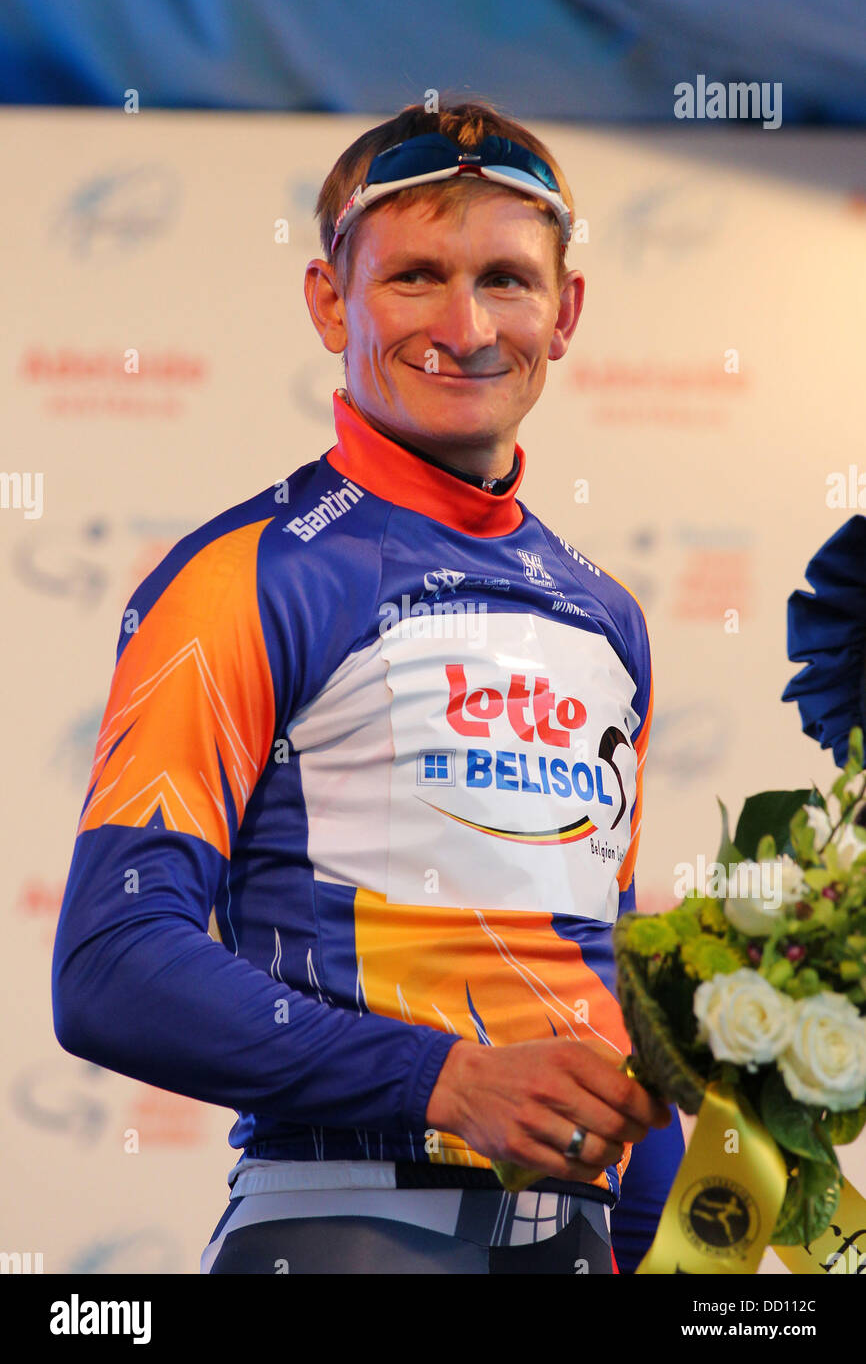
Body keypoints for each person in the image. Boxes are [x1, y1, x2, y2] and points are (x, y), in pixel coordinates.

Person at [52, 97, 682, 1275]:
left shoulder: (608, 616)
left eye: (505, 277)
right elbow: (110, 960)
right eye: (414, 279)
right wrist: (442, 1077)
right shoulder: (243, 575)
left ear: (566, 312)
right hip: (343, 1225)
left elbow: (599, 986)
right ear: (329, 301)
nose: (465, 323)